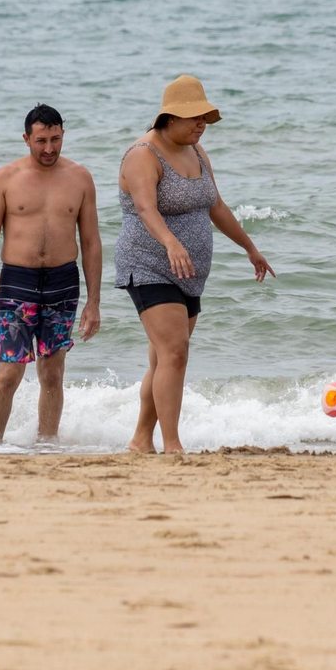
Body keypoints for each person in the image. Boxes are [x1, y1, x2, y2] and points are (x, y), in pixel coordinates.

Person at [116, 75, 274, 454]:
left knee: (163, 359)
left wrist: (250, 248)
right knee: (175, 352)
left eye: (205, 117)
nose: (202, 124)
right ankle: (172, 444)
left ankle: (140, 439)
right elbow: (145, 208)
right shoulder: (142, 154)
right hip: (149, 264)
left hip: (189, 274)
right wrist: (170, 242)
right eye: (194, 118)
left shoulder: (198, 152)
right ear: (170, 118)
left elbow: (215, 205)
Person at [0, 104, 102, 443]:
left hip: (63, 283)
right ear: (26, 139)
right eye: (41, 140)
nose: (49, 149)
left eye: (56, 139)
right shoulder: (4, 179)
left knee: (52, 374)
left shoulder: (80, 178)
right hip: (18, 282)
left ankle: (48, 444)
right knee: (9, 372)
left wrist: (94, 302)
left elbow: (90, 243)